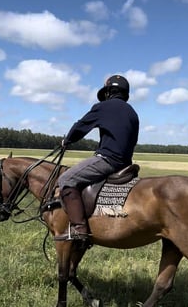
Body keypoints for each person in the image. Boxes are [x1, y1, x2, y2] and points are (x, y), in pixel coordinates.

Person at [55, 74, 140, 241]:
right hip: (125, 163)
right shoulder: (132, 112)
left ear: (108, 93)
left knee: (66, 179)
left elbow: (81, 126)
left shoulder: (103, 107)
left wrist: (67, 140)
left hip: (108, 159)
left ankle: (79, 229)